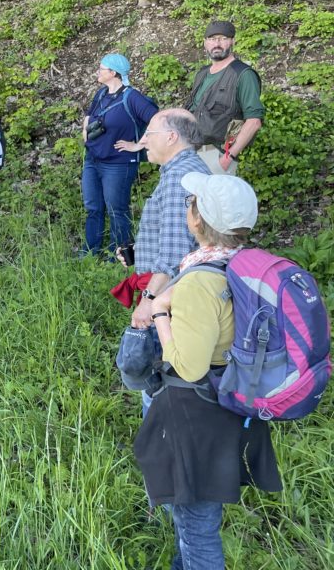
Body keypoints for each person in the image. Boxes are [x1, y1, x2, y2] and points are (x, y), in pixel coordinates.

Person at [135, 173, 281, 568]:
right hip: (228, 403)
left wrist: (160, 312)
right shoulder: (244, 264)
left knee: (197, 527)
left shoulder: (201, 280)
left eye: (191, 203)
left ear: (198, 220)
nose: (187, 208)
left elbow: (188, 364)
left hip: (197, 414)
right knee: (198, 516)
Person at [122, 109, 211, 331]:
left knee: (159, 362)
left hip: (168, 294)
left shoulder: (177, 178)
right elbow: (185, 234)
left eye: (149, 133)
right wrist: (139, 249)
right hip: (181, 287)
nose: (143, 141)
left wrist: (148, 301)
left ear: (171, 137)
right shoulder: (194, 168)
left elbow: (175, 251)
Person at [81, 53, 158, 258]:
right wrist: (85, 130)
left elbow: (158, 120)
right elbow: (90, 114)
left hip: (118, 163)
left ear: (113, 72)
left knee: (117, 209)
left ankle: (121, 255)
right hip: (93, 159)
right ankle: (90, 250)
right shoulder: (101, 93)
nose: (98, 71)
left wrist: (138, 145)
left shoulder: (131, 97)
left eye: (102, 68)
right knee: (93, 207)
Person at [185, 20, 264, 175]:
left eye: (223, 38)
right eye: (212, 39)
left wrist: (229, 156)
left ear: (232, 41)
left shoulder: (243, 74)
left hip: (218, 156)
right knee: (192, 200)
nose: (217, 44)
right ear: (205, 43)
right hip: (193, 154)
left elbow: (254, 121)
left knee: (216, 200)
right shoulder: (202, 73)